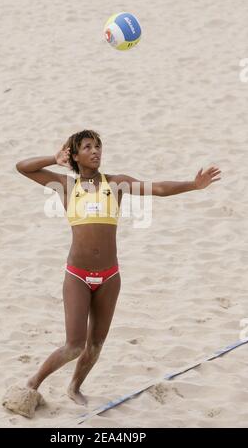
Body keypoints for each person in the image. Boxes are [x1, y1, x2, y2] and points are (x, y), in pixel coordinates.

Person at [15, 129, 221, 406]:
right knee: (74, 345)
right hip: (77, 276)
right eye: (87, 147)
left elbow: (157, 188)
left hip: (110, 277)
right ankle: (33, 383)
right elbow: (23, 167)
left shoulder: (116, 184)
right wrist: (53, 157)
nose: (96, 151)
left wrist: (194, 185)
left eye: (98, 146)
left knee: (96, 344)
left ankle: (74, 387)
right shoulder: (65, 185)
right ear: (74, 155)